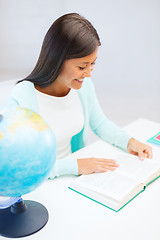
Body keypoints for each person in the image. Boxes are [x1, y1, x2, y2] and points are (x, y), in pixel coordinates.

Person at [8, 13, 152, 178]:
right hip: (41, 185)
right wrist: (76, 165)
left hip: (75, 177)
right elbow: (23, 166)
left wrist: (130, 142)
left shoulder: (82, 87)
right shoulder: (22, 98)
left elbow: (100, 123)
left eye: (92, 64)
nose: (88, 74)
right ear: (57, 59)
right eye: (82, 67)